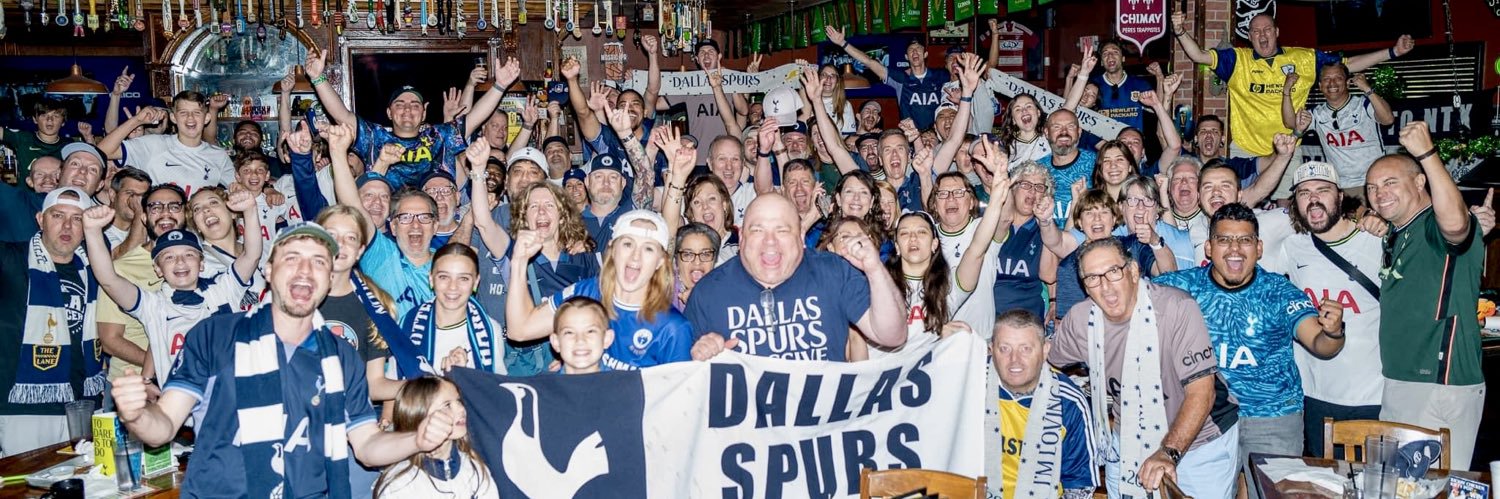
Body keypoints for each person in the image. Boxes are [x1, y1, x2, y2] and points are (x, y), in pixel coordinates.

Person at [111, 223, 460, 497]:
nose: (305, 270)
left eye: (319, 262)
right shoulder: (214, 335)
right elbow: (162, 429)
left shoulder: (342, 358)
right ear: (267, 270)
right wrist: (138, 414)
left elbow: (367, 446)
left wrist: (417, 440)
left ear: (329, 279)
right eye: (292, 257)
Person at [1155, 202, 1346, 476]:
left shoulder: (1279, 291)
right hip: (1206, 416)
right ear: (1209, 248)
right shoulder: (1181, 287)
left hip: (1272, 417)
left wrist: (1333, 331)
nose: (1235, 249)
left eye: (1245, 240)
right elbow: (1131, 300)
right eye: (1224, 240)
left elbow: (1320, 344)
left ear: (1258, 248)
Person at [1049, 238, 1242, 499]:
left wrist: (1168, 452)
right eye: (1092, 278)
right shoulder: (1081, 320)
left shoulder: (1176, 308)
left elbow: (1202, 393)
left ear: (1133, 271)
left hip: (1201, 438)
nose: (1105, 286)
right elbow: (1049, 363)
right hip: (1128, 436)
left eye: (1113, 272)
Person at [1173, 11, 1413, 197]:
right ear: (1249, 36)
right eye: (1256, 31)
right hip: (1245, 150)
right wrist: (1180, 30)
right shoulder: (1237, 59)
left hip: (1287, 149)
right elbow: (1199, 56)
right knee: (1240, 201)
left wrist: (1392, 52)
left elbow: (1346, 65)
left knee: (1286, 207)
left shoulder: (1304, 58)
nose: (1263, 35)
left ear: (1277, 31)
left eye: (1267, 29)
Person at [1367, 123, 1487, 469]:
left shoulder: (1436, 224)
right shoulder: (1397, 231)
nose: (1379, 193)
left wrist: (1427, 155)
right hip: (1401, 379)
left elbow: (1456, 225)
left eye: (1390, 182)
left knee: (1436, 487)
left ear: (1420, 182)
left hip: (1439, 382)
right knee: (1400, 486)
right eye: (1372, 187)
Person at [686, 194, 906, 362]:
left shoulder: (834, 272)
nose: (770, 242)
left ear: (801, 236)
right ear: (741, 236)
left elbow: (892, 335)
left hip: (827, 420)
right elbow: (680, 382)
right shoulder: (708, 292)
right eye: (757, 230)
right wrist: (700, 357)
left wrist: (875, 270)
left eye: (782, 230)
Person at [1262, 162, 1385, 455]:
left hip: (1371, 391)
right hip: (1313, 392)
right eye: (1304, 193)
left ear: (1340, 197)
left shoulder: (1377, 241)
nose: (1313, 199)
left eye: (1323, 190)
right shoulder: (1292, 247)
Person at [81, 190, 261, 384]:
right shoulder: (152, 305)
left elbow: (251, 255)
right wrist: (92, 231)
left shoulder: (223, 288)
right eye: (169, 257)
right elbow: (109, 279)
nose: (180, 262)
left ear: (201, 264)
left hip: (229, 397)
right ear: (157, 269)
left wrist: (250, 210)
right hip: (179, 405)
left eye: (189, 255)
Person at [508, 210, 693, 370]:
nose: (635, 257)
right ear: (612, 249)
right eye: (628, 244)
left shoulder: (673, 328)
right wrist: (518, 262)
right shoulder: (586, 293)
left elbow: (677, 403)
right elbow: (519, 330)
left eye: (648, 249)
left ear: (660, 262)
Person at [305, 50, 520, 188]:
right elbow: (341, 114)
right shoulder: (375, 137)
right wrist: (318, 78)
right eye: (400, 104)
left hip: (435, 220)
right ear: (389, 113)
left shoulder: (438, 136)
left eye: (415, 105)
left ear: (424, 113)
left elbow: (474, 118)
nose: (408, 109)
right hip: (385, 220)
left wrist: (500, 86)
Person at [0, 188, 107, 456]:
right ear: (40, 219)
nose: (67, 226)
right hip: (25, 407)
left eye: (77, 218)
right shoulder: (11, 258)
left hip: (85, 403)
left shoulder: (97, 268)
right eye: (57, 215)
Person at [985, 310, 1097, 499]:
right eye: (1004, 348)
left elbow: (1080, 486)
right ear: (991, 349)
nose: (1015, 360)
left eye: (1026, 349)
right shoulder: (971, 385)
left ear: (1045, 350)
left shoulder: (1069, 403)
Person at [1040, 188, 1175, 316]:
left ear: (1114, 219)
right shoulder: (1069, 265)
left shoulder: (1133, 245)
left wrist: (1155, 240)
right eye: (1089, 213)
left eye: (1104, 212)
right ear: (1080, 222)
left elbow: (1168, 272)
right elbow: (1070, 320)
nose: (1097, 218)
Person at [395, 243, 507, 378]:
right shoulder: (406, 324)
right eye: (444, 277)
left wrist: (464, 377)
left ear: (476, 282)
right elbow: (392, 391)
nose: (453, 287)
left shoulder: (491, 330)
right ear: (431, 279)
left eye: (463, 278)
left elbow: (495, 392)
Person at [372, 377, 496, 498]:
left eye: (459, 401)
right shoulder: (399, 484)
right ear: (419, 415)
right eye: (447, 405)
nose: (461, 409)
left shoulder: (474, 468)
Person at [1284, 64, 1394, 201]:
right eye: (1326, 79)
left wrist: (1367, 89)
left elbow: (1388, 119)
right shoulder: (1317, 114)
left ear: (1348, 82)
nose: (1332, 83)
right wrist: (1287, 91)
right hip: (1342, 185)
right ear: (1320, 85)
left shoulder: (1363, 104)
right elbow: (1290, 123)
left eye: (1338, 78)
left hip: (1375, 181)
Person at [96, 91, 235, 197]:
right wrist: (137, 121)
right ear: (173, 118)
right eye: (183, 113)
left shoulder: (219, 155)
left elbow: (236, 190)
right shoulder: (154, 144)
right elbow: (103, 151)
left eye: (197, 113)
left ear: (207, 118)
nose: (190, 118)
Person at [825, 27, 950, 131]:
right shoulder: (901, 78)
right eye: (911, 50)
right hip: (911, 138)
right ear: (906, 57)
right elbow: (869, 62)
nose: (915, 52)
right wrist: (843, 43)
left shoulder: (940, 76)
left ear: (925, 54)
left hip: (936, 137)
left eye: (918, 49)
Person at [0, 143, 108, 243]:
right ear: (59, 174)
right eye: (75, 164)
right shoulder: (20, 203)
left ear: (100, 185)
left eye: (93, 169)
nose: (83, 171)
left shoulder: (97, 235)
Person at [1039, 109, 1095, 225]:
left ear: (1079, 132)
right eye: (1056, 127)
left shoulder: (1098, 164)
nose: (1064, 132)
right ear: (1046, 132)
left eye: (1070, 126)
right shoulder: (1037, 169)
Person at [1086, 40, 1155, 131]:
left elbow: (1158, 109)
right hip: (1102, 143)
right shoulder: (1093, 86)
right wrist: (1070, 79)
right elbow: (1072, 110)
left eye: (1115, 52)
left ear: (1123, 58)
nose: (1110, 56)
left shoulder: (1139, 84)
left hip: (1131, 142)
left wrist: (1160, 77)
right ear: (1102, 62)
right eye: (1105, 53)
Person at [2, 99, 76, 179]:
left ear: (63, 122)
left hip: (58, 191)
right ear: (35, 119)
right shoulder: (23, 138)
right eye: (44, 115)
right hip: (25, 191)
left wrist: (88, 137)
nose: (49, 119)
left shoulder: (69, 145)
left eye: (56, 116)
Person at [550, 297, 614, 375]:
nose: (580, 340)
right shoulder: (540, 386)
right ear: (556, 342)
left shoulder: (624, 385)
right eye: (569, 332)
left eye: (590, 331)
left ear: (607, 339)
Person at [672, 223, 721, 310]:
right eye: (688, 254)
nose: (697, 262)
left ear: (715, 259)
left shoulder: (725, 293)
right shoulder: (662, 297)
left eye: (705, 254)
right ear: (676, 260)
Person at [997, 94, 1051, 170]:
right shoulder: (1006, 149)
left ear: (1038, 113)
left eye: (1029, 106)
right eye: (1017, 109)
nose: (1024, 110)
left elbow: (1067, 108)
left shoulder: (1051, 135)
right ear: (1013, 120)